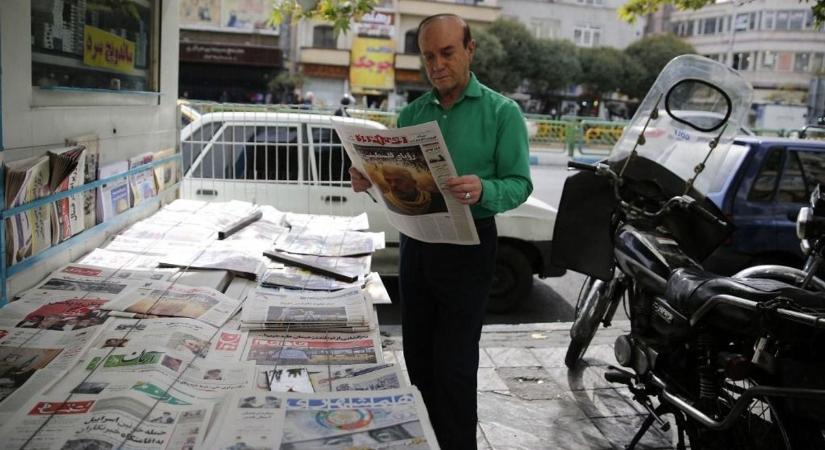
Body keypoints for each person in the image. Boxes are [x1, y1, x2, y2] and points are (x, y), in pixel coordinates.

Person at [348, 13, 531, 449]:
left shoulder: (502, 112)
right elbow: (397, 177)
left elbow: (521, 184)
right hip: (416, 247)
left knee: (454, 366)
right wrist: (369, 178)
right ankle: (424, 440)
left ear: (470, 50)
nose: (437, 64)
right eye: (428, 56)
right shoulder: (412, 112)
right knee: (419, 358)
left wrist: (484, 187)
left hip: (469, 248)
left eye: (447, 52)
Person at [380, 165, 447, 215]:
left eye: (398, 180)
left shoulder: (435, 198)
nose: (393, 185)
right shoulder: (386, 200)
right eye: (388, 181)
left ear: (413, 181)